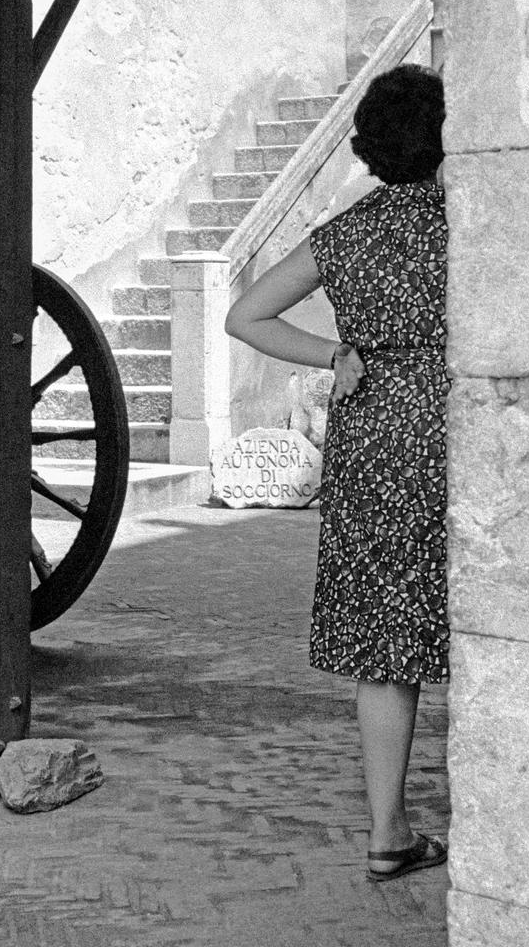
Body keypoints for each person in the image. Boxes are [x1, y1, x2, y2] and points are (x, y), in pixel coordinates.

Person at [224, 63, 449, 882]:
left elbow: (243, 316)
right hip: (457, 429)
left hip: (372, 439)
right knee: (478, 620)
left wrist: (335, 354)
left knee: (386, 638)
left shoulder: (347, 233)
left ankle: (388, 830)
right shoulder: (472, 224)